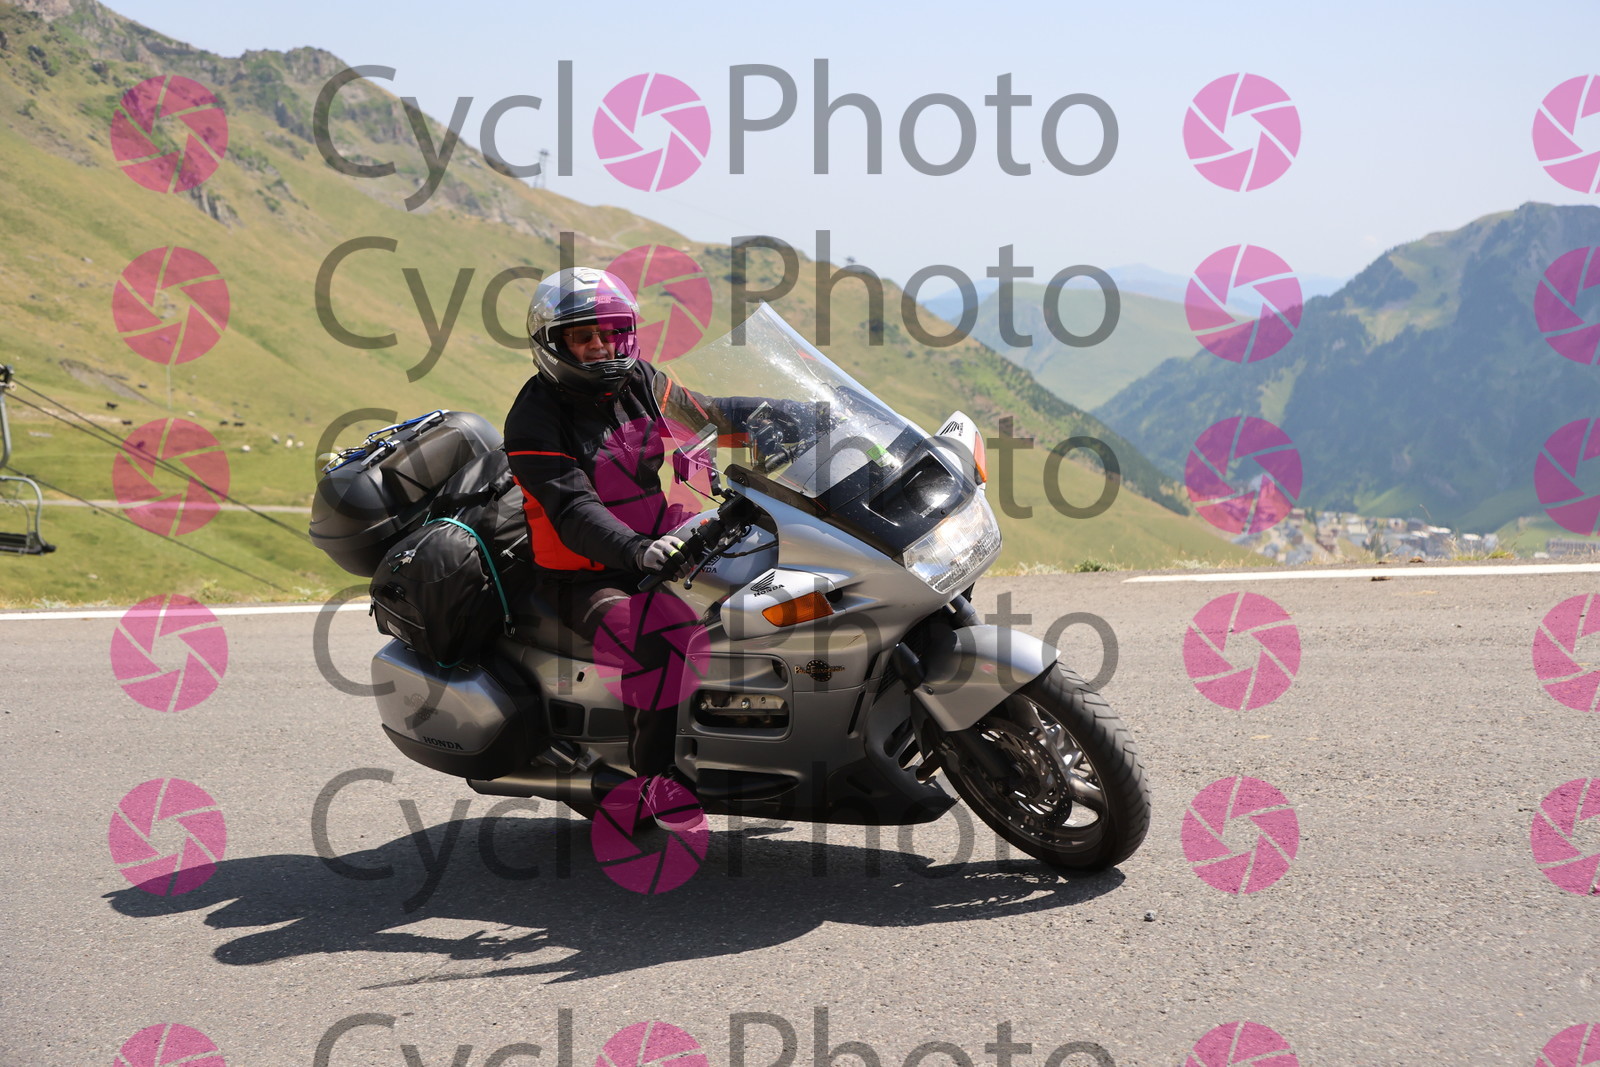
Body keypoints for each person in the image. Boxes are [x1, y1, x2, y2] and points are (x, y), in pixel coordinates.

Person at [503, 267, 702, 821]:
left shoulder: (640, 380)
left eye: (613, 332)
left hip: (657, 551)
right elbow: (574, 511)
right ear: (552, 343)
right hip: (583, 577)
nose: (601, 346)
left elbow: (707, 414)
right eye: (583, 336)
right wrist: (636, 549)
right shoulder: (533, 419)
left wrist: (799, 416)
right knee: (656, 640)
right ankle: (655, 783)